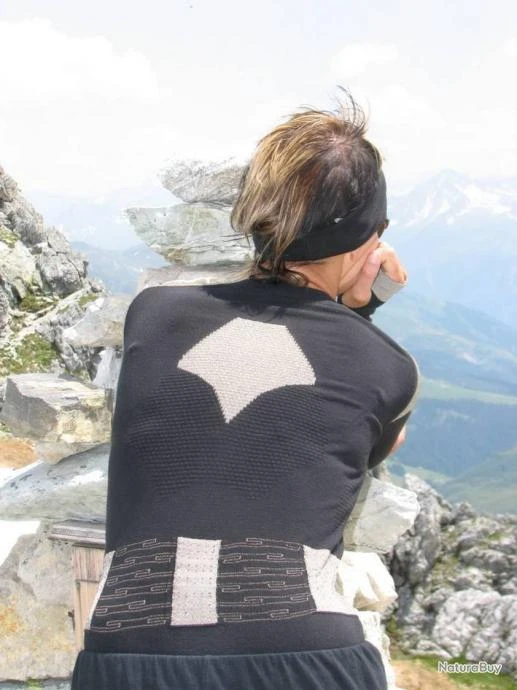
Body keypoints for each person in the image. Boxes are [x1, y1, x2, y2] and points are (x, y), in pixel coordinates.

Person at [71, 90, 419, 690]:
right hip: (309, 661)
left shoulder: (151, 315)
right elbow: (353, 432)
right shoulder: (388, 367)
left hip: (126, 660)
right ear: (371, 240)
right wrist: (361, 312)